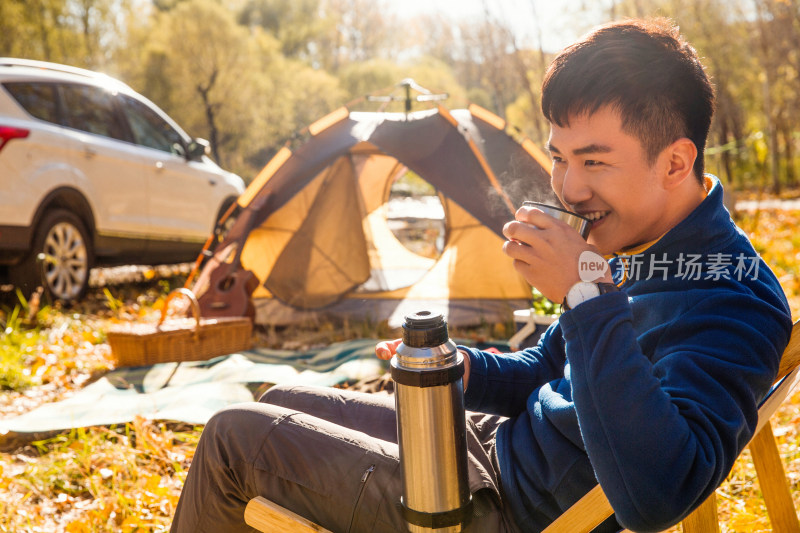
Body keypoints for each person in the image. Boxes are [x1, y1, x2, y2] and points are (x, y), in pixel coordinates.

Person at [170, 18, 792, 533]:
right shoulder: (637, 238)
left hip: (499, 509)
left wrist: (583, 295)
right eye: (558, 157)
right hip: (493, 444)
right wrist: (468, 367)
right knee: (276, 400)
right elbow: (551, 372)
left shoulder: (733, 299)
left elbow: (658, 493)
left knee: (232, 442)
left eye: (594, 162)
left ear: (676, 161)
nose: (569, 189)